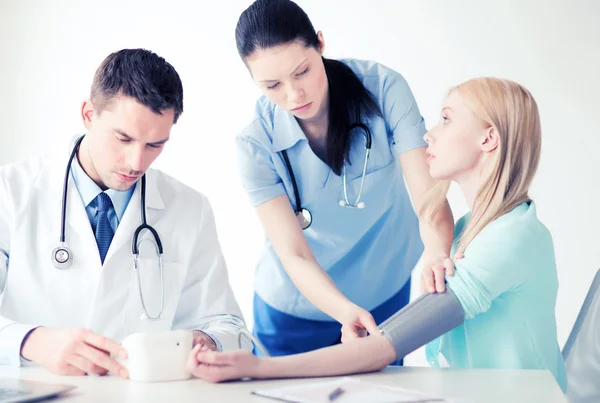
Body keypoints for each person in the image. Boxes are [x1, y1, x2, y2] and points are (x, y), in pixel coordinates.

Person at [187, 77, 568, 392]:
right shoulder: (472, 230)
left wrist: (257, 366)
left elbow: (387, 346)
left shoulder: (511, 238)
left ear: (488, 139)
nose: (430, 135)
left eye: (447, 119)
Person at [0, 49, 251, 378]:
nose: (137, 162)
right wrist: (29, 341)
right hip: (34, 389)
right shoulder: (10, 192)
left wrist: (207, 340)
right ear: (89, 115)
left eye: (155, 145)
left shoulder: (191, 209)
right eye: (123, 138)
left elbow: (230, 327)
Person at [233, 0, 455, 357]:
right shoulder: (256, 144)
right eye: (272, 85)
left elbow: (428, 198)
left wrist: (436, 252)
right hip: (296, 309)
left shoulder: (383, 89)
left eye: (302, 71)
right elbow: (294, 255)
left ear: (320, 43)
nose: (294, 95)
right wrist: (342, 310)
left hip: (385, 288)